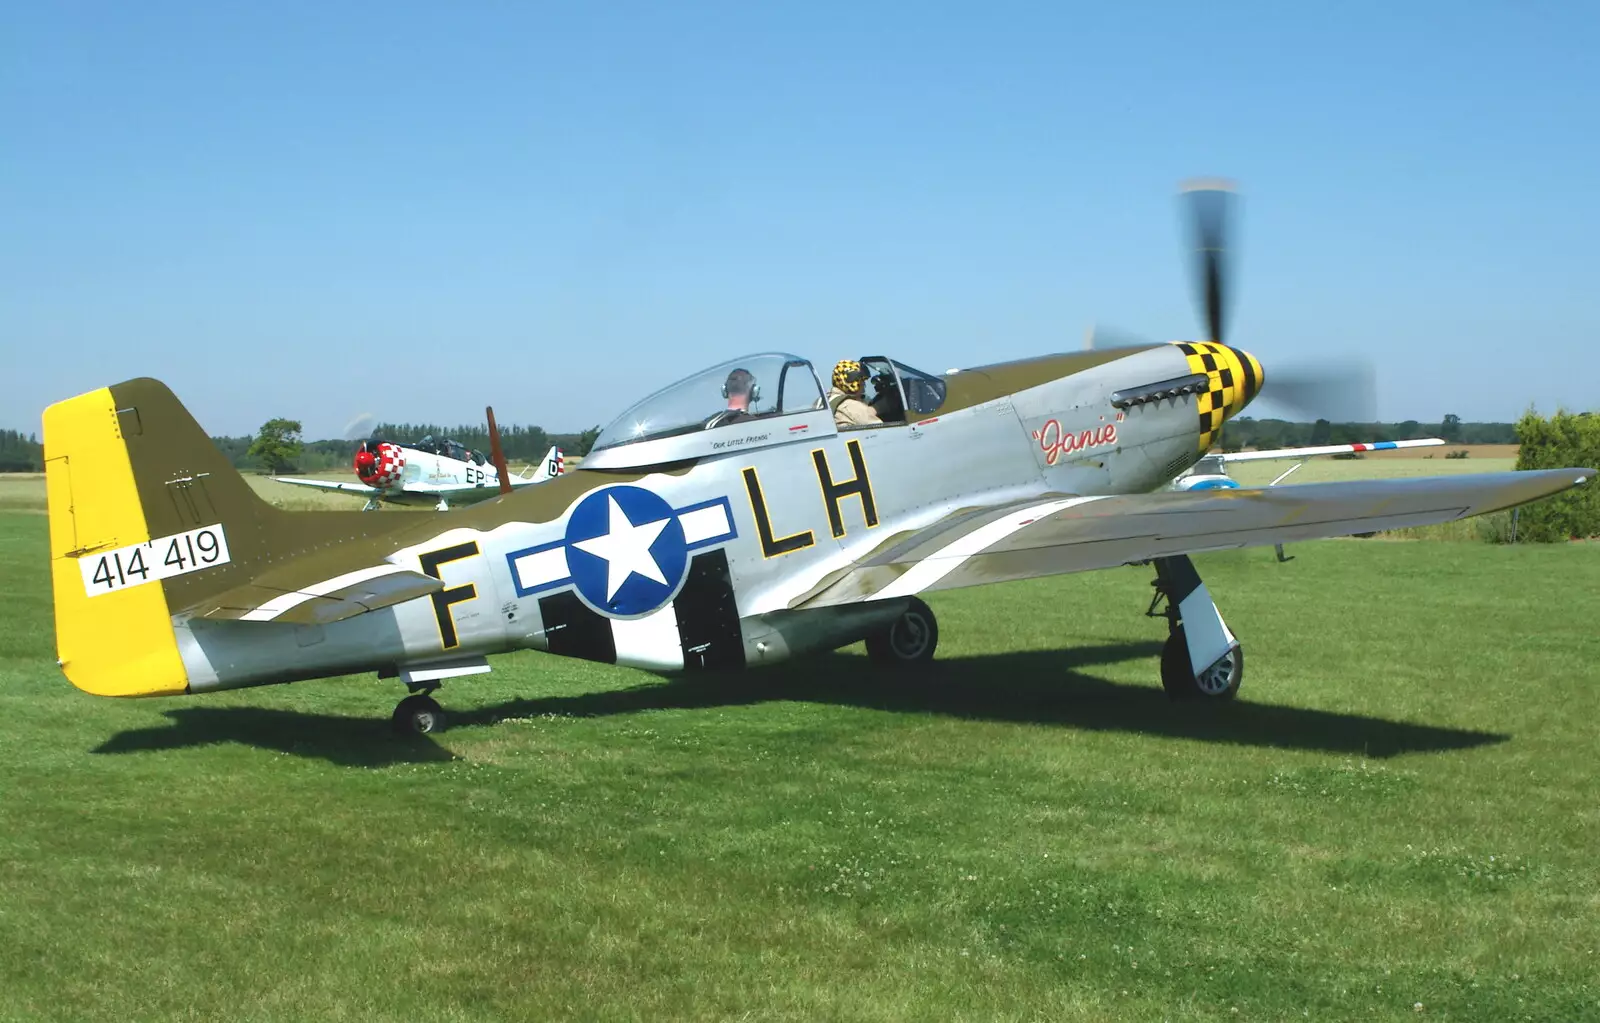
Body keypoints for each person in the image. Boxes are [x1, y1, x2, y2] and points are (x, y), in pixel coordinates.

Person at [827, 360, 881, 429]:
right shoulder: (850, 405)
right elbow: (881, 429)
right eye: (862, 381)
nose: (864, 385)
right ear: (852, 381)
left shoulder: (824, 400)